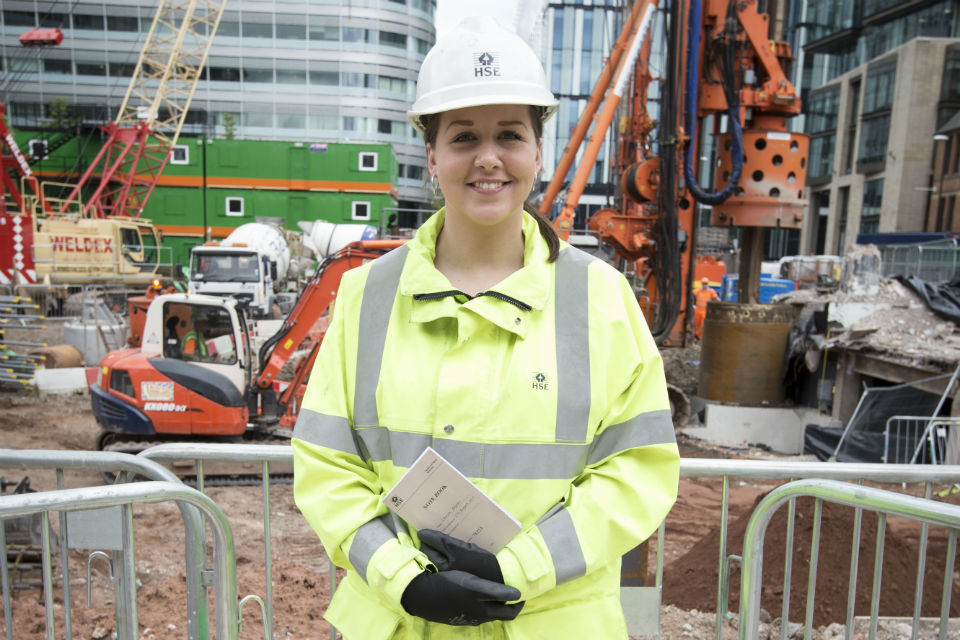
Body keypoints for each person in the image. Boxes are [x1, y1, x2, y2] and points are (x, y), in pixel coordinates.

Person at [292, 17, 679, 640]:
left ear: (536, 151)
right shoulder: (367, 295)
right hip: (399, 622)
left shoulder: (600, 297)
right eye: (465, 136)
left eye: (510, 135)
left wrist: (513, 568)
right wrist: (406, 580)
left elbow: (637, 470)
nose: (489, 158)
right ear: (433, 154)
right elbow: (327, 466)